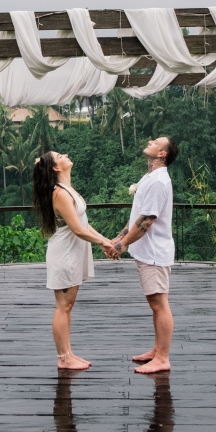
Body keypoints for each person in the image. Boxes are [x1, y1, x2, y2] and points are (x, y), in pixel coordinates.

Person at [32, 151, 117, 370]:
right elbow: (78, 230)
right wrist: (103, 244)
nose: (66, 155)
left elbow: (83, 223)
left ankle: (67, 353)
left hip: (73, 252)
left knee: (67, 306)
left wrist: (106, 240)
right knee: (63, 306)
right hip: (65, 254)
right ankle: (63, 357)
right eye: (60, 155)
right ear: (55, 168)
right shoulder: (59, 193)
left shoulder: (67, 189)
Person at [109, 136, 178, 374]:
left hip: (155, 252)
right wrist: (119, 238)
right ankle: (157, 351)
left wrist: (122, 246)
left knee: (160, 304)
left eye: (156, 141)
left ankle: (163, 358)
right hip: (148, 252)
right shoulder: (149, 177)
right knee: (155, 303)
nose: (150, 140)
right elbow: (137, 216)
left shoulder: (159, 181)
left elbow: (148, 220)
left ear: (162, 154)